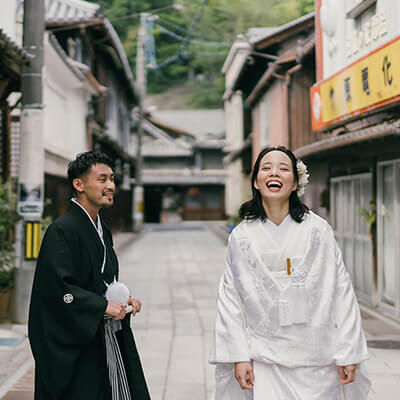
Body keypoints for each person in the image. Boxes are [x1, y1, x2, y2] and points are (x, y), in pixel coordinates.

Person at [209, 146, 370, 399]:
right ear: (256, 182)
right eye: (266, 168)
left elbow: (342, 291)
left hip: (317, 359)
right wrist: (238, 357)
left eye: (284, 169)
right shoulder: (241, 238)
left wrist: (348, 352)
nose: (275, 173)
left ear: (295, 183)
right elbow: (231, 300)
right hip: (264, 359)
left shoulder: (318, 231)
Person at [28, 152, 151, 400]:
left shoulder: (101, 228)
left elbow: (102, 281)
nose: (111, 186)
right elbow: (59, 290)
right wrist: (102, 305)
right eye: (102, 179)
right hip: (77, 340)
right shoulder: (62, 230)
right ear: (79, 184)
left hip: (99, 333)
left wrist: (124, 300)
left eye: (112, 179)